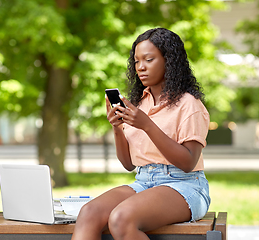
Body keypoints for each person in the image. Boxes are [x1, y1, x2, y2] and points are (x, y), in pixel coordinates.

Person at [71, 28, 211, 240]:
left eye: (149, 59)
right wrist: (117, 128)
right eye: (136, 61)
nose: (141, 67)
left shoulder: (189, 104)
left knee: (121, 218)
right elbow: (128, 165)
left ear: (169, 61)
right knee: (89, 213)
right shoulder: (138, 104)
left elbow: (188, 162)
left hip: (185, 185)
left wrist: (147, 125)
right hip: (144, 181)